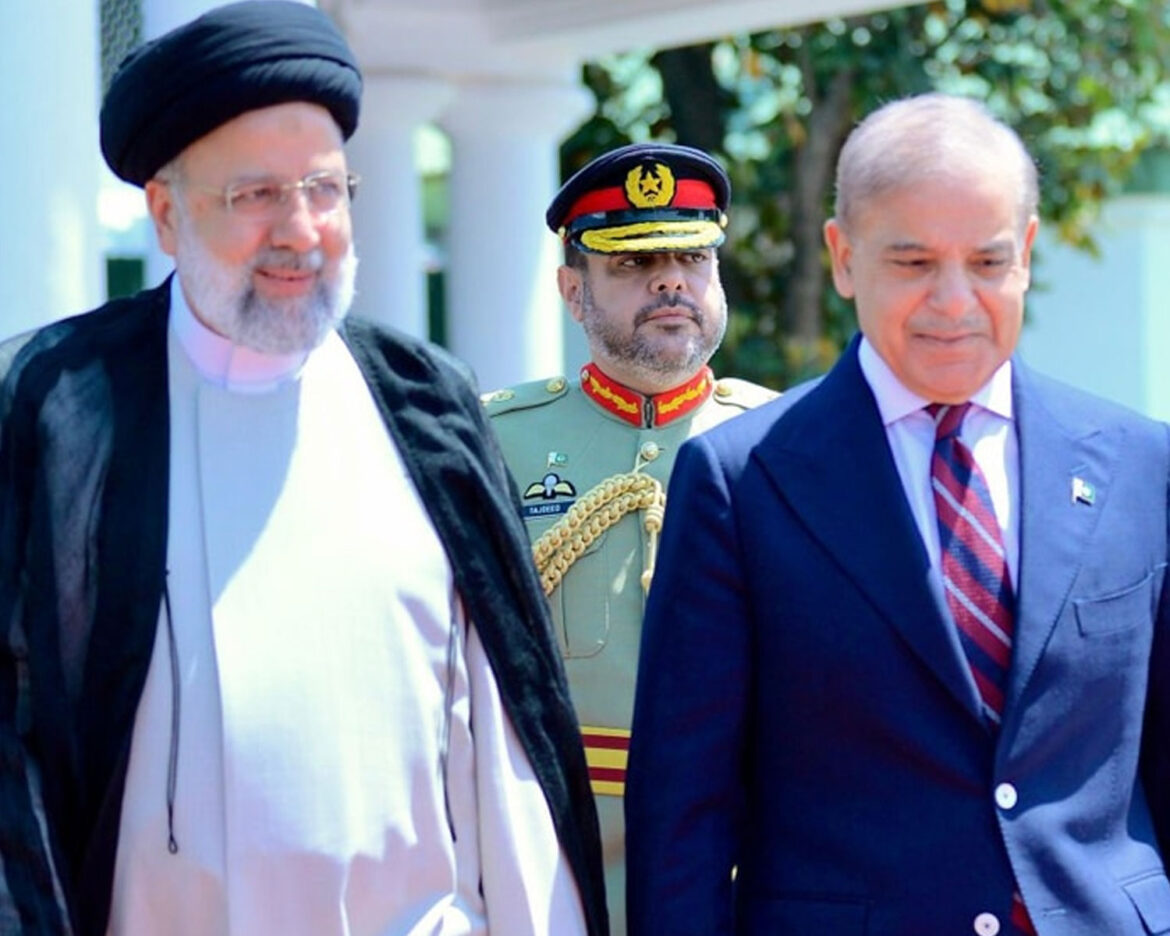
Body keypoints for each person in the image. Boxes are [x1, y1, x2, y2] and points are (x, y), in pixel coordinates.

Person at [0, 3, 607, 935]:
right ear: (166, 214)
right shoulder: (61, 405)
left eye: (325, 189)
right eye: (254, 195)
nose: (300, 229)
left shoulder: (424, 400)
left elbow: (508, 736)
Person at [625, 92, 1170, 935]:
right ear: (844, 258)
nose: (954, 301)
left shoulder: (1139, 464)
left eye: (987, 263)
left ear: (1026, 253)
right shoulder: (743, 483)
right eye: (914, 263)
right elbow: (682, 818)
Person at [484, 142, 775, 935]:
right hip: (545, 858)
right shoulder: (492, 443)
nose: (670, 281)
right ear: (572, 290)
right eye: (634, 262)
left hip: (736, 864)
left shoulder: (786, 444)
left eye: (692, 258)